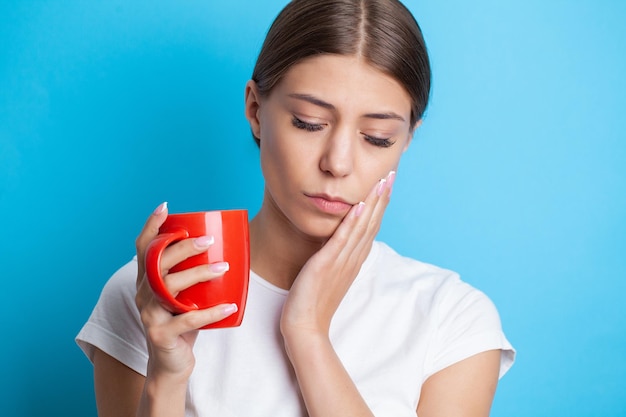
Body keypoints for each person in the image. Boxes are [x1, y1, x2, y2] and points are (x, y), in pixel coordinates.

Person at [76, 0, 515, 416]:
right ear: (255, 109)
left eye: (377, 137)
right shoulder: (155, 294)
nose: (337, 163)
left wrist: (307, 334)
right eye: (309, 123)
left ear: (406, 140)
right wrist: (166, 377)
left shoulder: (451, 317)